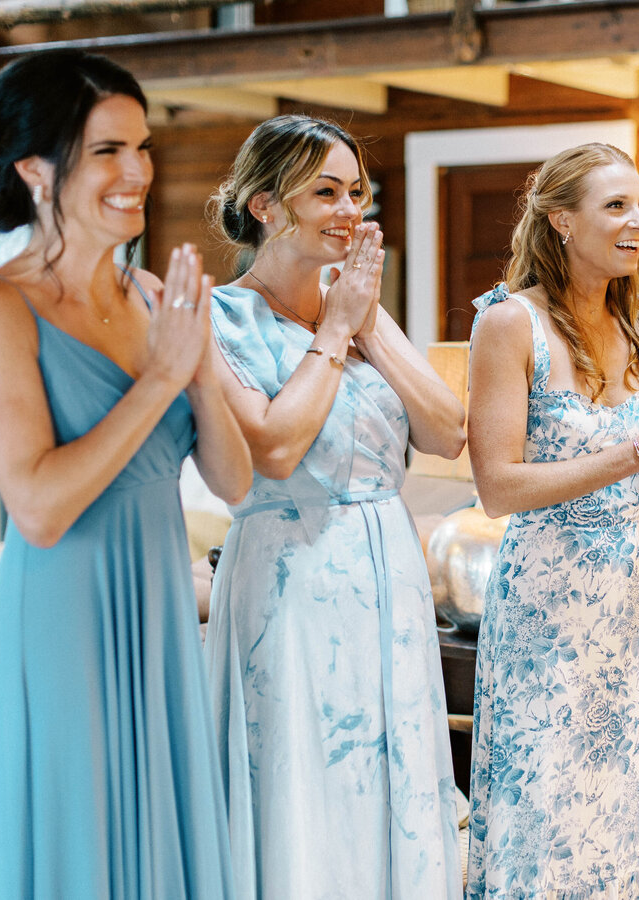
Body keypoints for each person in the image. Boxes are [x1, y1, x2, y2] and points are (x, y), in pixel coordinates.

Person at [0, 49, 251, 897]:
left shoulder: (158, 300)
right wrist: (160, 376)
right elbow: (40, 507)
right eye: (107, 151)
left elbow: (234, 484)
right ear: (35, 171)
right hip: (60, 620)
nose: (138, 173)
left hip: (156, 611)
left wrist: (195, 365)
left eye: (144, 147)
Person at [203, 115, 467, 900]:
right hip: (291, 577)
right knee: (304, 780)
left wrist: (363, 322)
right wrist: (337, 331)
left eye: (357, 192)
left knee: (394, 781)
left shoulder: (356, 305)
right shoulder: (217, 319)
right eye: (326, 191)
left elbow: (448, 432)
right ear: (263, 204)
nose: (350, 209)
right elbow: (273, 448)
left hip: (389, 574)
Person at [465, 143, 639, 898]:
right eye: (617, 206)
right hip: (543, 616)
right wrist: (636, 451)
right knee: (543, 818)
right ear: (561, 221)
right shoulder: (511, 324)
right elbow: (497, 487)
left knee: (619, 820)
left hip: (626, 618)